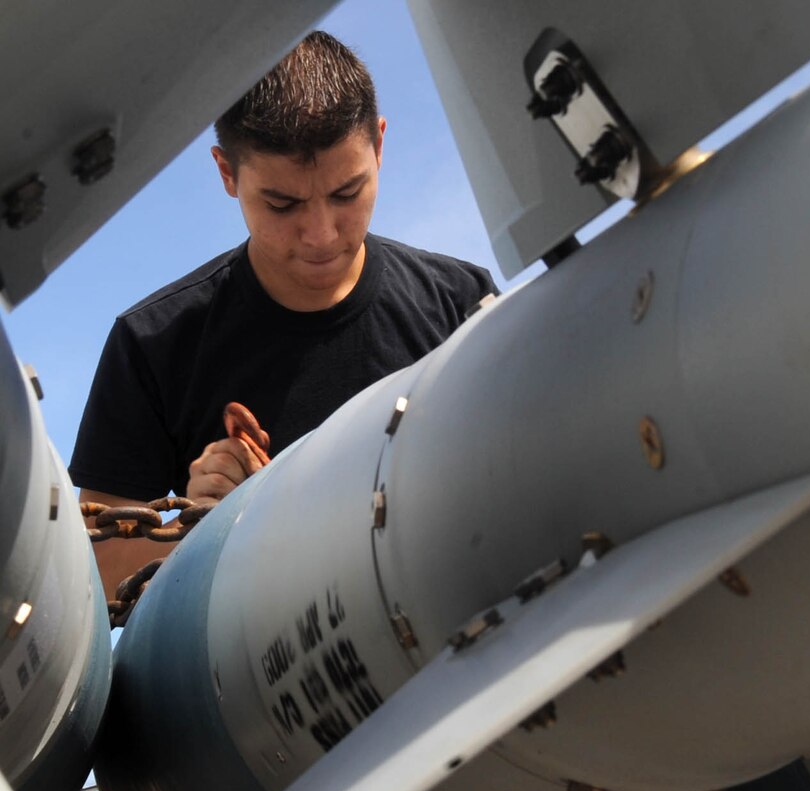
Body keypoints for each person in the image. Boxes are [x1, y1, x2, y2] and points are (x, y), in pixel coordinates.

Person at [70, 31, 497, 599]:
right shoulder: (151, 344)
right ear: (227, 173)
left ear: (380, 147)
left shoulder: (460, 301)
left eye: (347, 193)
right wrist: (196, 528)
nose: (321, 234)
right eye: (283, 204)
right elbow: (98, 577)